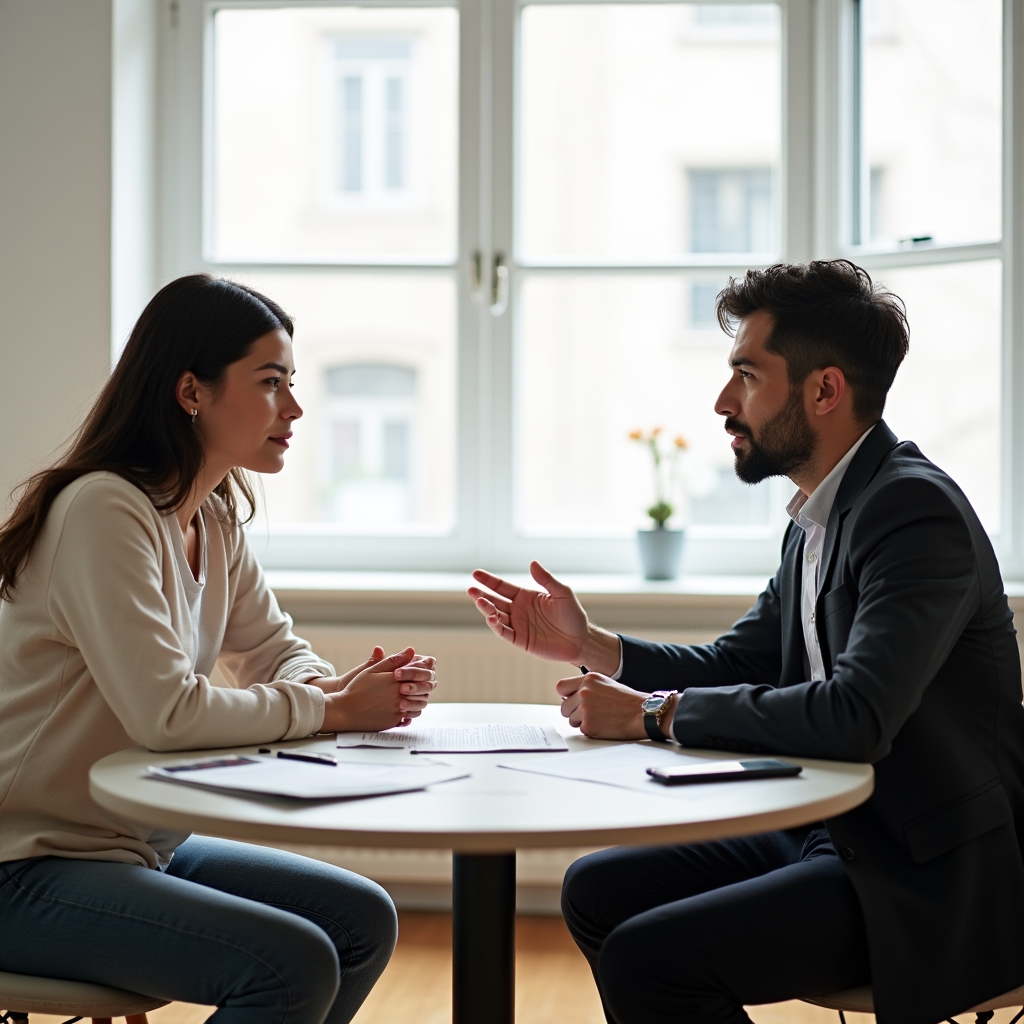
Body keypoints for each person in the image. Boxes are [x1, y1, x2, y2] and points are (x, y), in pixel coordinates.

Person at [468, 260, 1024, 1024]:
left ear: (823, 390)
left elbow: (856, 716)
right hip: (830, 833)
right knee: (596, 889)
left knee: (650, 959)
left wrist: (654, 715)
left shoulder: (910, 512)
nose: (724, 403)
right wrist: (591, 644)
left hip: (919, 870)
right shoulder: (822, 516)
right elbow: (739, 664)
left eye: (746, 376)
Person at [0, 275, 438, 1024]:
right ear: (191, 391)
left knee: (361, 918)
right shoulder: (106, 509)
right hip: (26, 864)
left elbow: (273, 650)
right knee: (290, 963)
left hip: (130, 846)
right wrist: (330, 712)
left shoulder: (213, 519)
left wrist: (336, 686)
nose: (295, 408)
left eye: (292, 383)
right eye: (271, 383)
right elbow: (165, 715)